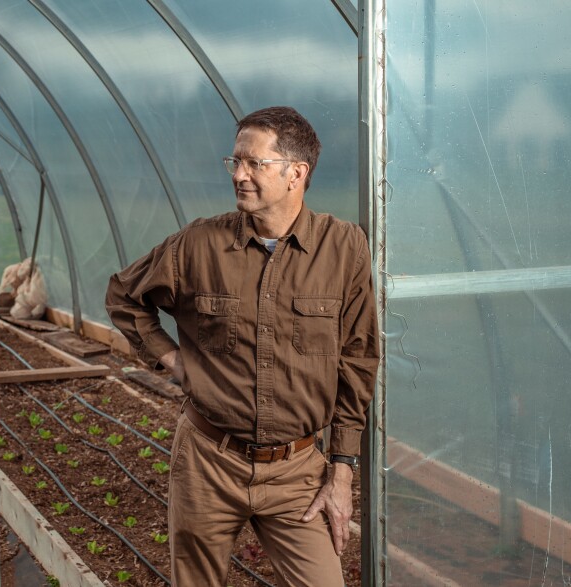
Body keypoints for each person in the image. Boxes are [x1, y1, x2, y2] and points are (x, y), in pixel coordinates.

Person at [106, 106, 379, 586]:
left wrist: (342, 469)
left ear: (297, 173)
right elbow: (125, 297)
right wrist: (171, 360)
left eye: (255, 163)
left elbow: (358, 361)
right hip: (208, 463)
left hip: (297, 472)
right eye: (235, 162)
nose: (240, 175)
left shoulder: (344, 248)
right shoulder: (198, 245)